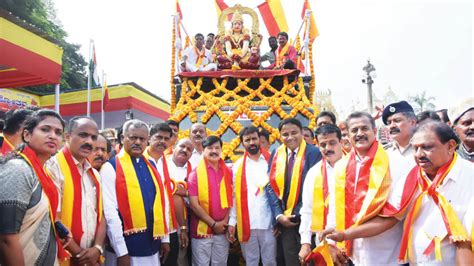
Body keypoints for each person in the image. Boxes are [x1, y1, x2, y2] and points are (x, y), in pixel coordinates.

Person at [321, 121, 474, 265]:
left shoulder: (469, 176)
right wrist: (345, 235)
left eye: (427, 147)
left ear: (450, 146)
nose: (419, 154)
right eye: (415, 148)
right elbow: (389, 218)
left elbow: (465, 242)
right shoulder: (413, 176)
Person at [323, 111, 392, 265]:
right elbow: (335, 208)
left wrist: (345, 234)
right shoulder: (341, 166)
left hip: (386, 253)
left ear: (374, 131)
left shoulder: (392, 162)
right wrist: (332, 244)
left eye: (364, 129)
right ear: (347, 135)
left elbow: (393, 213)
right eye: (354, 130)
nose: (359, 134)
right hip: (352, 254)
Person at [0, 109, 65, 265]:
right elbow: (6, 237)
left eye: (58, 132)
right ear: (27, 135)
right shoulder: (18, 169)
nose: (52, 136)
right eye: (45, 129)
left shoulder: (43, 170)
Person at [101, 119, 170, 266]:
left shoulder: (151, 165)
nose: (138, 142)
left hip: (152, 243)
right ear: (122, 138)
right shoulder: (111, 167)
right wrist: (122, 252)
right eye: (133, 137)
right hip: (126, 248)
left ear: (147, 141)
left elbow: (161, 201)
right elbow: (110, 213)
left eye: (142, 139)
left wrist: (165, 239)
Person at [46, 116, 106, 265]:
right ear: (67, 136)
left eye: (93, 137)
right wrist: (82, 256)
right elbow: (54, 220)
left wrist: (97, 249)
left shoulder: (94, 174)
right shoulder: (53, 167)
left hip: (91, 255)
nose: (89, 142)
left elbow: (102, 215)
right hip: (65, 257)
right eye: (83, 135)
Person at [265, 118, 322, 265]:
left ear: (302, 133)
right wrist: (279, 215)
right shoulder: (276, 154)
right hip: (286, 223)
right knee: (291, 261)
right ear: (280, 136)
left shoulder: (314, 153)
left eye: (294, 132)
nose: (290, 137)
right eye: (285, 134)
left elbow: (318, 187)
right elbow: (270, 186)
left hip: (307, 219)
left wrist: (296, 213)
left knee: (311, 261)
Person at [228, 126, 276, 265]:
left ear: (259, 140)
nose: (251, 142)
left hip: (268, 223)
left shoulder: (271, 161)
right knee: (251, 261)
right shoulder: (237, 166)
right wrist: (232, 221)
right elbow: (234, 196)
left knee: (270, 262)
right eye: (247, 140)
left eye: (254, 138)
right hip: (246, 223)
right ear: (242, 143)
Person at [298, 124, 344, 262]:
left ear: (341, 142)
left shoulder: (354, 166)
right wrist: (305, 243)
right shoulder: (313, 173)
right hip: (323, 241)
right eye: (323, 144)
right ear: (317, 146)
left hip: (352, 240)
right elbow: (307, 210)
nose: (328, 148)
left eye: (332, 143)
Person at [187, 136, 233, 265]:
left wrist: (224, 222)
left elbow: (231, 200)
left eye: (217, 148)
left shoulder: (228, 172)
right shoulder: (195, 174)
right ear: (203, 149)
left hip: (222, 231)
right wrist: (213, 224)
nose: (214, 151)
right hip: (202, 232)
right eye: (210, 148)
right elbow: (194, 205)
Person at [145, 123, 179, 266]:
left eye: (166, 139)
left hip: (167, 228)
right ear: (149, 138)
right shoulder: (140, 161)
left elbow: (170, 197)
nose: (162, 141)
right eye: (158, 137)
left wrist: (167, 238)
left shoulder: (168, 164)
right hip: (147, 228)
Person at [167, 138, 194, 266]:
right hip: (162, 223)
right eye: (182, 146)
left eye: (189, 149)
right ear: (174, 146)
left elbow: (199, 197)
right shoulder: (161, 164)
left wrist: (187, 193)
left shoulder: (194, 172)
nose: (185, 150)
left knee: (180, 260)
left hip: (183, 225)